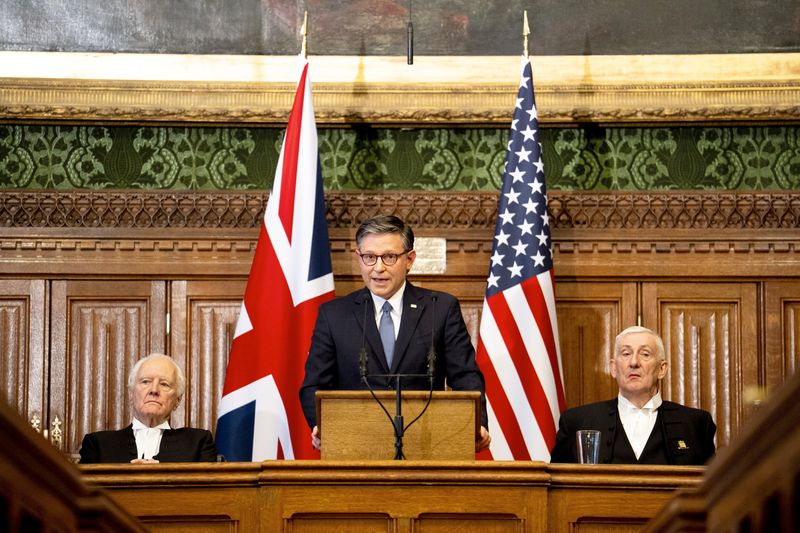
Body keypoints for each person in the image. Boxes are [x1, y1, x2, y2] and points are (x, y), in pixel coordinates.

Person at [299, 215, 491, 451]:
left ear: (409, 259)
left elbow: (466, 377)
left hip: (428, 442)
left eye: (389, 257)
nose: (378, 268)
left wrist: (476, 424)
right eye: (369, 257)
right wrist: (322, 426)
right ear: (359, 258)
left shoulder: (440, 308)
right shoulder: (334, 315)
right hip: (354, 446)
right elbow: (315, 385)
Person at [550, 326, 716, 465]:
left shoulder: (696, 424)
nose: (634, 362)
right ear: (613, 368)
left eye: (645, 354)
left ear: (662, 369)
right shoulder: (576, 422)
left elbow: (710, 492)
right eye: (626, 353)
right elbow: (557, 490)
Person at [79, 353, 218, 463]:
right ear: (131, 394)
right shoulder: (98, 445)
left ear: (177, 400)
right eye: (145, 382)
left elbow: (208, 494)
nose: (154, 390)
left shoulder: (198, 443)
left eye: (164, 384)